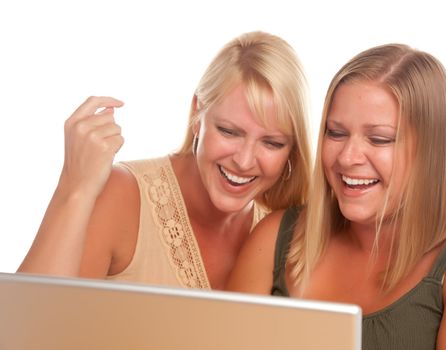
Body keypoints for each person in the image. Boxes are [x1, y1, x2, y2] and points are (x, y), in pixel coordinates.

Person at [227, 43, 446, 348]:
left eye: (379, 139)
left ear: (430, 152)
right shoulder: (276, 237)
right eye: (336, 132)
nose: (347, 157)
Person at [17, 31, 312, 291]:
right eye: (229, 131)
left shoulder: (282, 231)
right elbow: (25, 329)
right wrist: (75, 187)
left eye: (272, 143)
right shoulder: (122, 195)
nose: (245, 161)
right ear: (198, 114)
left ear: (291, 150)